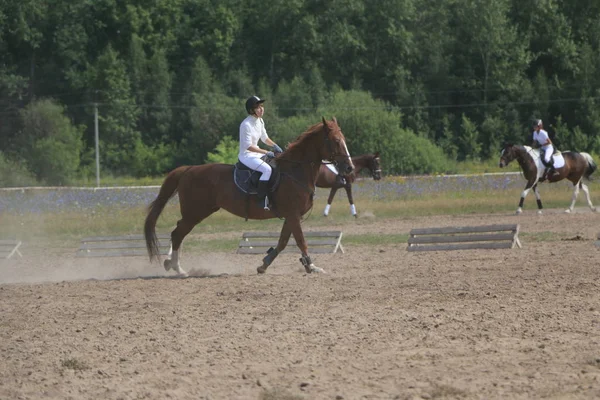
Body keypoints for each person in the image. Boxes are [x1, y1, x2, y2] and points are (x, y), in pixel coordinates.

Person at [239, 96, 283, 209]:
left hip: (256, 154)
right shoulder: (246, 124)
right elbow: (248, 146)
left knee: (276, 164)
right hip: (246, 156)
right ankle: (261, 200)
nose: (261, 109)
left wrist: (274, 145)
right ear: (251, 110)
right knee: (267, 169)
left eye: (261, 106)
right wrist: (266, 151)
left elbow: (264, 138)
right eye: (258, 107)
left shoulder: (260, 121)